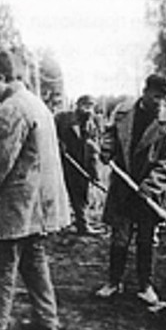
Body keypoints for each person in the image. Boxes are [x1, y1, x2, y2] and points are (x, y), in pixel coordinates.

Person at [0, 47, 70, 330]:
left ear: (0, 77)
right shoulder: (36, 103)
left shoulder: (11, 109)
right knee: (34, 261)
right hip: (38, 205)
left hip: (17, 204)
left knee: (2, 263)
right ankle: (48, 321)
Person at [95, 74, 166, 306]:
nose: (161, 102)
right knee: (119, 237)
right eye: (157, 96)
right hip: (123, 186)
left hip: (149, 190)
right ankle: (113, 282)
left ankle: (145, 286)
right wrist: (107, 149)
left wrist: (150, 186)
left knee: (146, 238)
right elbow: (110, 134)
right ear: (145, 92)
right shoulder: (123, 112)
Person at [55, 95, 101, 235]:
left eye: (91, 106)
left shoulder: (92, 124)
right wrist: (58, 144)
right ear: (77, 105)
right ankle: (66, 224)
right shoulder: (62, 118)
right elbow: (50, 134)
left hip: (82, 166)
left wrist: (94, 172)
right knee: (62, 195)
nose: (89, 110)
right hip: (64, 163)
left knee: (82, 195)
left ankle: (81, 224)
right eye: (86, 106)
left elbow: (93, 149)